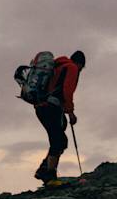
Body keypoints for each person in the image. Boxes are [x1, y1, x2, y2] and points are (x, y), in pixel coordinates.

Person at [35, 51, 85, 183]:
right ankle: (49, 175)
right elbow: (67, 91)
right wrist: (71, 112)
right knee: (58, 141)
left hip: (42, 107)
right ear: (80, 64)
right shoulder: (72, 68)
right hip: (51, 108)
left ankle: (44, 169)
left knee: (59, 138)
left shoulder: (58, 67)